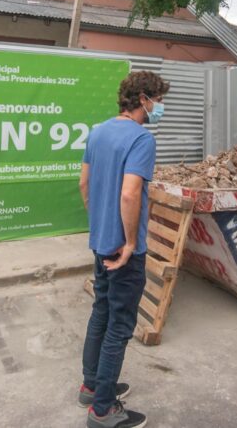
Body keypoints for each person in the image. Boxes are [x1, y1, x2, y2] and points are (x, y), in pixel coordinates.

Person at [78, 70, 169, 428]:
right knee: (119, 325)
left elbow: (84, 184)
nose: (160, 107)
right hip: (123, 251)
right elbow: (130, 193)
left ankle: (92, 385)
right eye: (159, 101)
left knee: (101, 312)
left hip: (100, 244)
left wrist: (101, 222)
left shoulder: (97, 132)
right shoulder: (141, 139)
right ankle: (103, 410)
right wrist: (130, 242)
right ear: (144, 99)